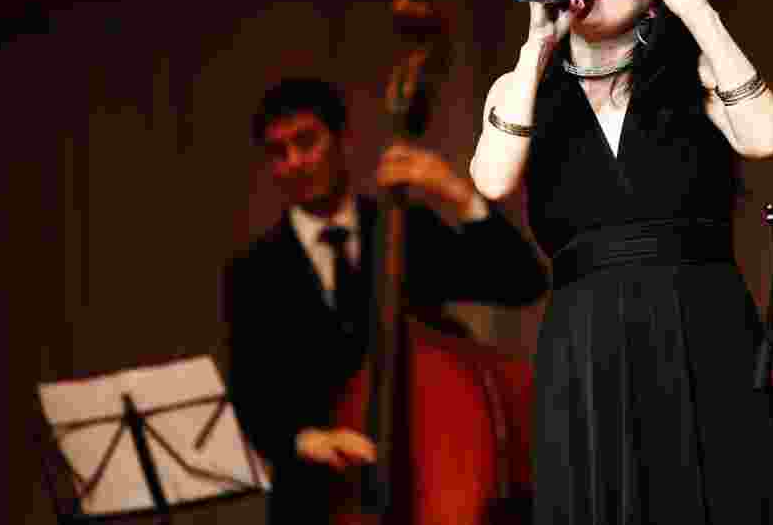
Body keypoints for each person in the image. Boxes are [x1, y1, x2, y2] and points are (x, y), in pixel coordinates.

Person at [470, 0, 773, 523]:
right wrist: (537, 47)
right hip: (585, 336)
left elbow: (766, 137)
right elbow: (491, 180)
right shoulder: (522, 87)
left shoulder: (692, 72)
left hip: (700, 322)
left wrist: (698, 12)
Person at [223, 77, 547, 524]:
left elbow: (522, 282)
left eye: (306, 142)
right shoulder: (253, 272)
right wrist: (304, 439)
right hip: (318, 504)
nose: (295, 162)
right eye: (279, 152)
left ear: (342, 140)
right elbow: (250, 392)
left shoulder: (404, 230)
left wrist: (456, 192)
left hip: (425, 488)